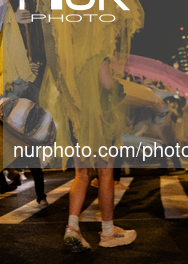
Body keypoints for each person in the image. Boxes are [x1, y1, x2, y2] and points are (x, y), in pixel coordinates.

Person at [63, 59, 136, 252]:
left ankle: (72, 227)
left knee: (81, 174)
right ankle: (108, 231)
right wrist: (119, 86)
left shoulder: (67, 50)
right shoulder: (97, 49)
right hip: (100, 119)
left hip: (76, 119)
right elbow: (107, 84)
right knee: (105, 174)